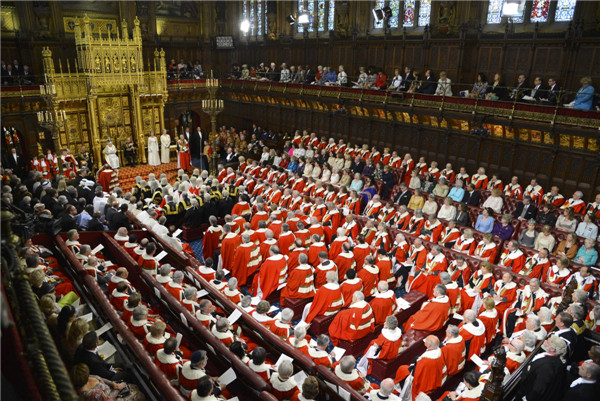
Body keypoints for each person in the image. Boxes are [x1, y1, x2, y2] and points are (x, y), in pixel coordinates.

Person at [517, 336, 568, 401]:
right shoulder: (555, 360)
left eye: (547, 341)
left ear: (552, 349)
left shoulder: (547, 367)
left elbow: (538, 388)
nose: (545, 341)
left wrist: (527, 398)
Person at [69, 363, 144, 401]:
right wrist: (118, 388)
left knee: (134, 386)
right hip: (114, 397)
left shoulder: (86, 377)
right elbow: (108, 399)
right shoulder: (93, 394)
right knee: (138, 395)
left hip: (112, 388)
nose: (89, 375)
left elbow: (100, 378)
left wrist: (114, 384)